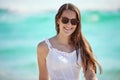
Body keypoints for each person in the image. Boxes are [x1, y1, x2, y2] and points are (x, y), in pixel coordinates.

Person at [37, 3, 102, 80]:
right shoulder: (43, 47)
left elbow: (90, 74)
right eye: (65, 20)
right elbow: (43, 78)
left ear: (77, 24)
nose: (69, 24)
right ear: (58, 20)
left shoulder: (83, 46)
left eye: (73, 21)